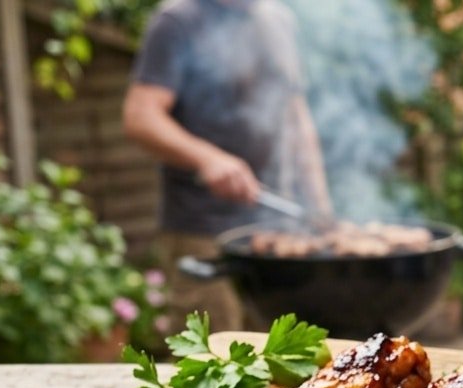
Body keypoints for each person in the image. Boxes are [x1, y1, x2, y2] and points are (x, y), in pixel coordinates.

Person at [123, 0, 332, 332]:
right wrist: (208, 158)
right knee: (213, 366)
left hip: (278, 233)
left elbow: (296, 118)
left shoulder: (279, 18)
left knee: (286, 368)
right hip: (206, 234)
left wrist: (320, 205)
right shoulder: (177, 21)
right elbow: (141, 115)